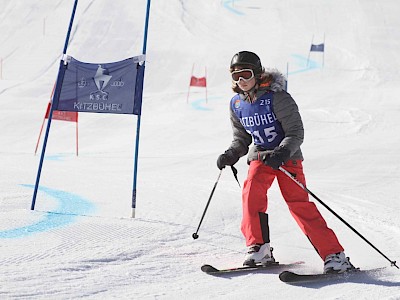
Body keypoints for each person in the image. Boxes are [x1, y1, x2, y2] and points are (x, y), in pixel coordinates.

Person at [217, 51, 355, 274]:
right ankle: (259, 247)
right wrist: (231, 154)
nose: (241, 80)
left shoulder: (278, 97)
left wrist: (282, 152)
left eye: (245, 74)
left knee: (298, 204)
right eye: (235, 76)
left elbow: (296, 132)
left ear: (258, 73)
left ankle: (335, 256)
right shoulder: (236, 104)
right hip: (261, 157)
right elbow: (241, 139)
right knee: (250, 193)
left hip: (286, 158)